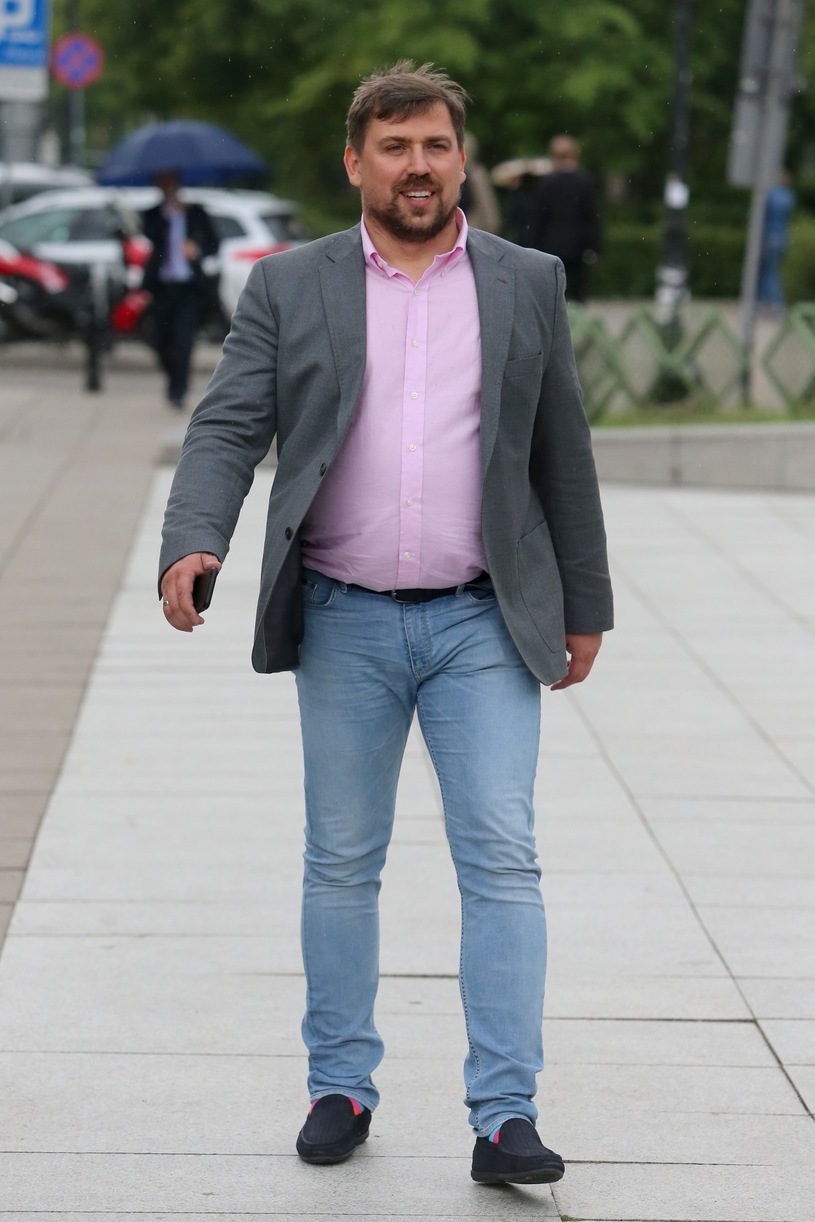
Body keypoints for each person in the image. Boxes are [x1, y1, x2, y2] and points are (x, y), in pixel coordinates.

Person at [159, 61, 613, 1186]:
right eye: (396, 147)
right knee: (340, 860)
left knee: (500, 858)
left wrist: (585, 603)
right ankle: (340, 1085)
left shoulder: (526, 281)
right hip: (343, 621)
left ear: (461, 159)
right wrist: (193, 537)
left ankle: (505, 1114)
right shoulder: (289, 284)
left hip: (482, 623)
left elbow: (561, 449)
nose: (418, 166)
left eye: (436, 146)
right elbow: (228, 426)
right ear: (355, 162)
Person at [141, 170, 219, 409]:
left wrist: (196, 249)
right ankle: (173, 376)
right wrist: (168, 218)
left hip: (189, 289)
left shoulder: (195, 213)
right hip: (162, 288)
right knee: (159, 340)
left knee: (183, 341)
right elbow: (148, 238)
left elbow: (214, 243)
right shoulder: (153, 215)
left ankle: (178, 391)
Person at [531, 135, 601, 303]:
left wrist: (533, 246)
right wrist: (594, 247)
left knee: (553, 294)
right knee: (577, 293)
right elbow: (592, 217)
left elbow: (538, 219)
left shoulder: (547, 183)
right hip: (578, 247)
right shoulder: (585, 182)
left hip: (550, 245)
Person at [757, 173, 795, 314]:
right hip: (783, 238)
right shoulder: (789, 196)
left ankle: (777, 305)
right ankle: (763, 303)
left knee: (770, 272)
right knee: (770, 270)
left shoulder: (772, 195)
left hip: (770, 237)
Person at [459, 131, 501, 233]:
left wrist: (492, 226)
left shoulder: (476, 174)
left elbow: (487, 204)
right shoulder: (476, 173)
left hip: (472, 227)